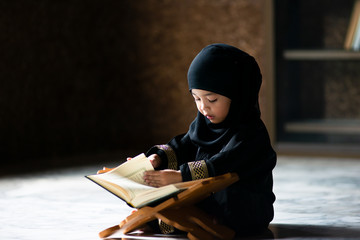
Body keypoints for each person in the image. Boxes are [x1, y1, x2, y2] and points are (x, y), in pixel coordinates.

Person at [111, 43, 276, 236]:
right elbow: (182, 145)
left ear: (238, 96)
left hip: (244, 206)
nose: (204, 108)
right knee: (164, 191)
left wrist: (181, 176)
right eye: (196, 99)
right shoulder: (204, 125)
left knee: (227, 198)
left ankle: (189, 221)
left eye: (211, 100)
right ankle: (163, 220)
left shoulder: (251, 134)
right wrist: (158, 158)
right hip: (205, 197)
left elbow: (225, 162)